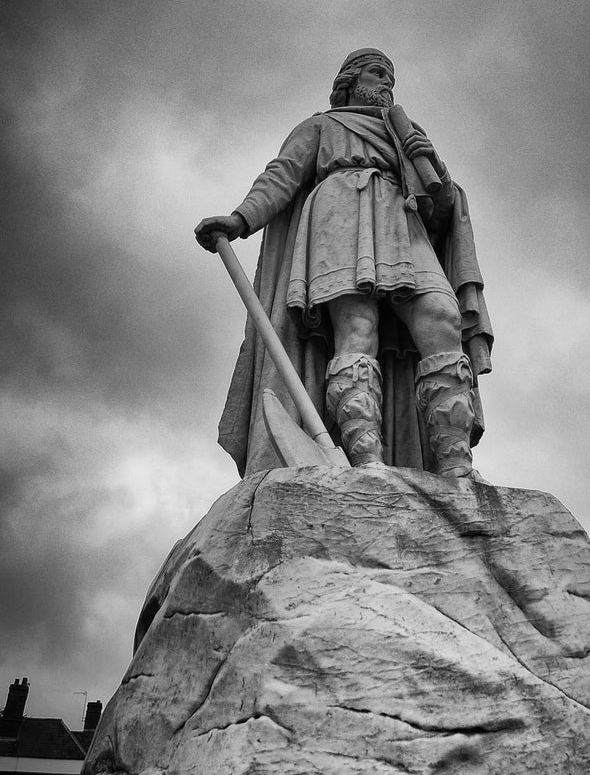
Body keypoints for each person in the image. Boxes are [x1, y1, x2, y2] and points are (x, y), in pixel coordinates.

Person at [195, 48, 492, 477]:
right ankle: (366, 463)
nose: (387, 84)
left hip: (402, 223)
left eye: (391, 77)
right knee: (357, 330)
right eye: (377, 74)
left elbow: (441, 213)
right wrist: (241, 218)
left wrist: (440, 176)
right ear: (351, 81)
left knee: (443, 317)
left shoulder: (405, 134)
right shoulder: (321, 126)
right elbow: (282, 175)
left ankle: (455, 465)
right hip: (340, 219)